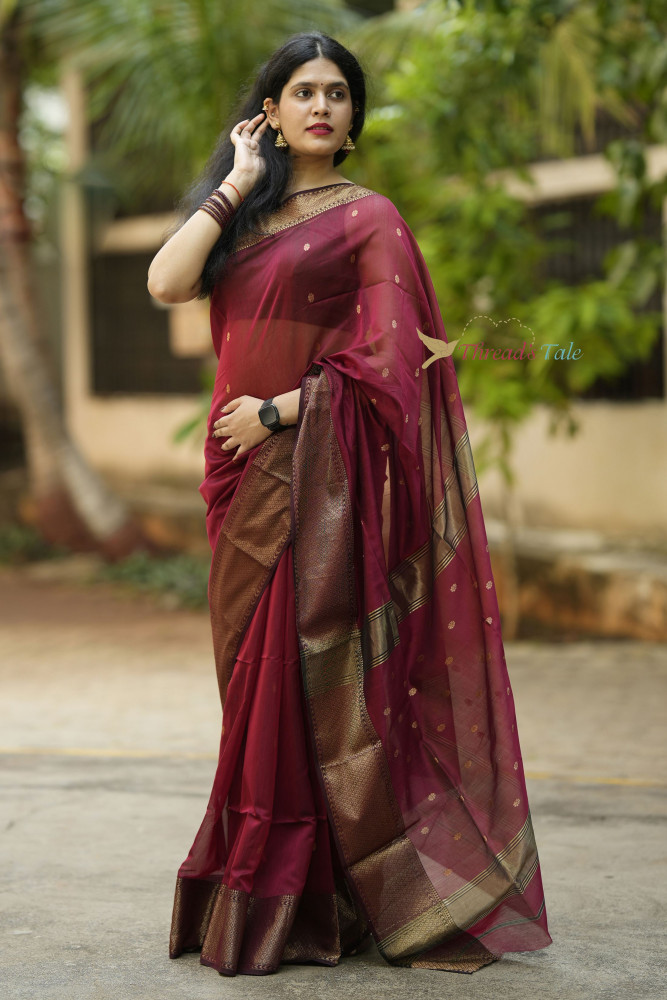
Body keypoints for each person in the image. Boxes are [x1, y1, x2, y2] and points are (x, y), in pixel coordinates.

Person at [147, 30, 552, 979]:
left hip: (306, 471)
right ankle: (292, 885)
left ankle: (303, 897)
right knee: (251, 690)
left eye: (337, 93)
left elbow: (399, 362)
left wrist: (288, 409)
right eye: (302, 92)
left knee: (298, 689)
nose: (322, 105)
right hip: (239, 480)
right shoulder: (245, 216)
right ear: (272, 112)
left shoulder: (370, 218)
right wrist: (236, 179)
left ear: (353, 118)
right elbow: (169, 280)